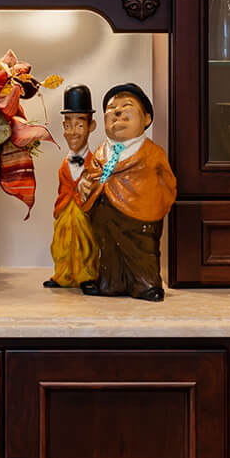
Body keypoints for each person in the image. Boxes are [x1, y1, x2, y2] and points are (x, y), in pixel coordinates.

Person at [76, 83, 178, 301]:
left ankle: (146, 285)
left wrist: (157, 204)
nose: (117, 112)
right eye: (111, 109)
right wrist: (84, 183)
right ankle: (110, 283)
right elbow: (91, 173)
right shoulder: (102, 150)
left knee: (140, 251)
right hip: (103, 212)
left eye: (126, 106)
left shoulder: (152, 152)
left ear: (147, 119)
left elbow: (168, 182)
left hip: (139, 214)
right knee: (108, 250)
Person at [43, 85, 99, 288]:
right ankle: (63, 274)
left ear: (91, 126)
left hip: (84, 214)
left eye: (79, 125)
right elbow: (63, 189)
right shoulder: (64, 164)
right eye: (68, 126)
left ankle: (87, 276)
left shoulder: (95, 163)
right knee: (62, 244)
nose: (72, 132)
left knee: (86, 245)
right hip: (65, 212)